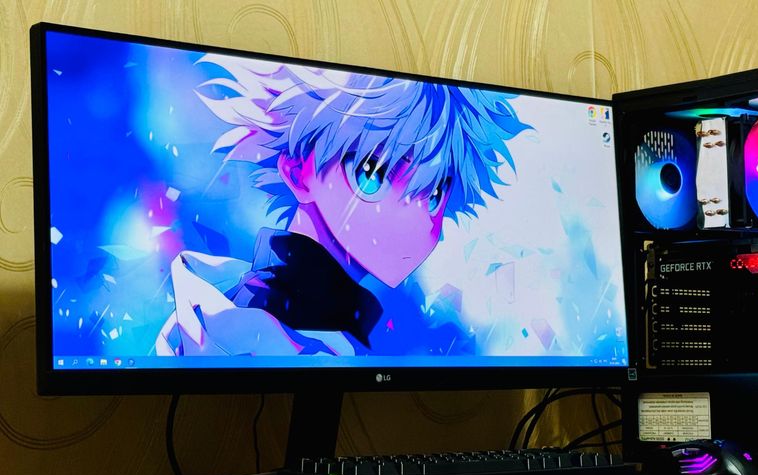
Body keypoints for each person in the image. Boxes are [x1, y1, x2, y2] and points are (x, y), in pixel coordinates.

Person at [156, 54, 530, 358]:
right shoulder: (259, 331)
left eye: (434, 196)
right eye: (372, 174)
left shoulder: (352, 324)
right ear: (297, 171)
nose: (415, 220)